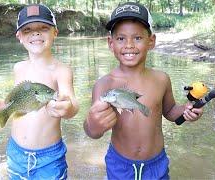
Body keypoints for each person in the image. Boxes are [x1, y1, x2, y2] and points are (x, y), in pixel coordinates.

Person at [83, 2, 203, 180]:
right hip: (119, 164)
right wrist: (92, 125)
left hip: (156, 164)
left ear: (151, 41)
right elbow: (93, 131)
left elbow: (170, 111)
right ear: (111, 43)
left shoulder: (161, 79)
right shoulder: (104, 84)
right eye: (121, 38)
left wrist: (187, 110)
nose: (129, 45)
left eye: (137, 38)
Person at [0, 4, 79, 179]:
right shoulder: (19, 68)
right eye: (28, 29)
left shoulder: (61, 70)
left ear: (55, 32)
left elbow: (72, 103)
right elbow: (13, 102)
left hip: (50, 158)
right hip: (16, 154)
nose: (36, 33)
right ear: (19, 36)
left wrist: (67, 108)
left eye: (43, 28)